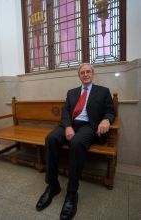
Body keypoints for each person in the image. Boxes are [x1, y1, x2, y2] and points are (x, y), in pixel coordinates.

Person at [35, 63, 115, 220]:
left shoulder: (103, 91)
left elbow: (110, 110)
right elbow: (65, 112)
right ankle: (53, 185)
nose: (85, 74)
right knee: (50, 138)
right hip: (71, 125)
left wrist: (106, 120)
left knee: (77, 143)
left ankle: (71, 193)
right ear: (79, 76)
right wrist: (68, 126)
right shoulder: (72, 93)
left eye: (88, 72)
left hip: (88, 127)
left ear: (93, 74)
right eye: (82, 72)